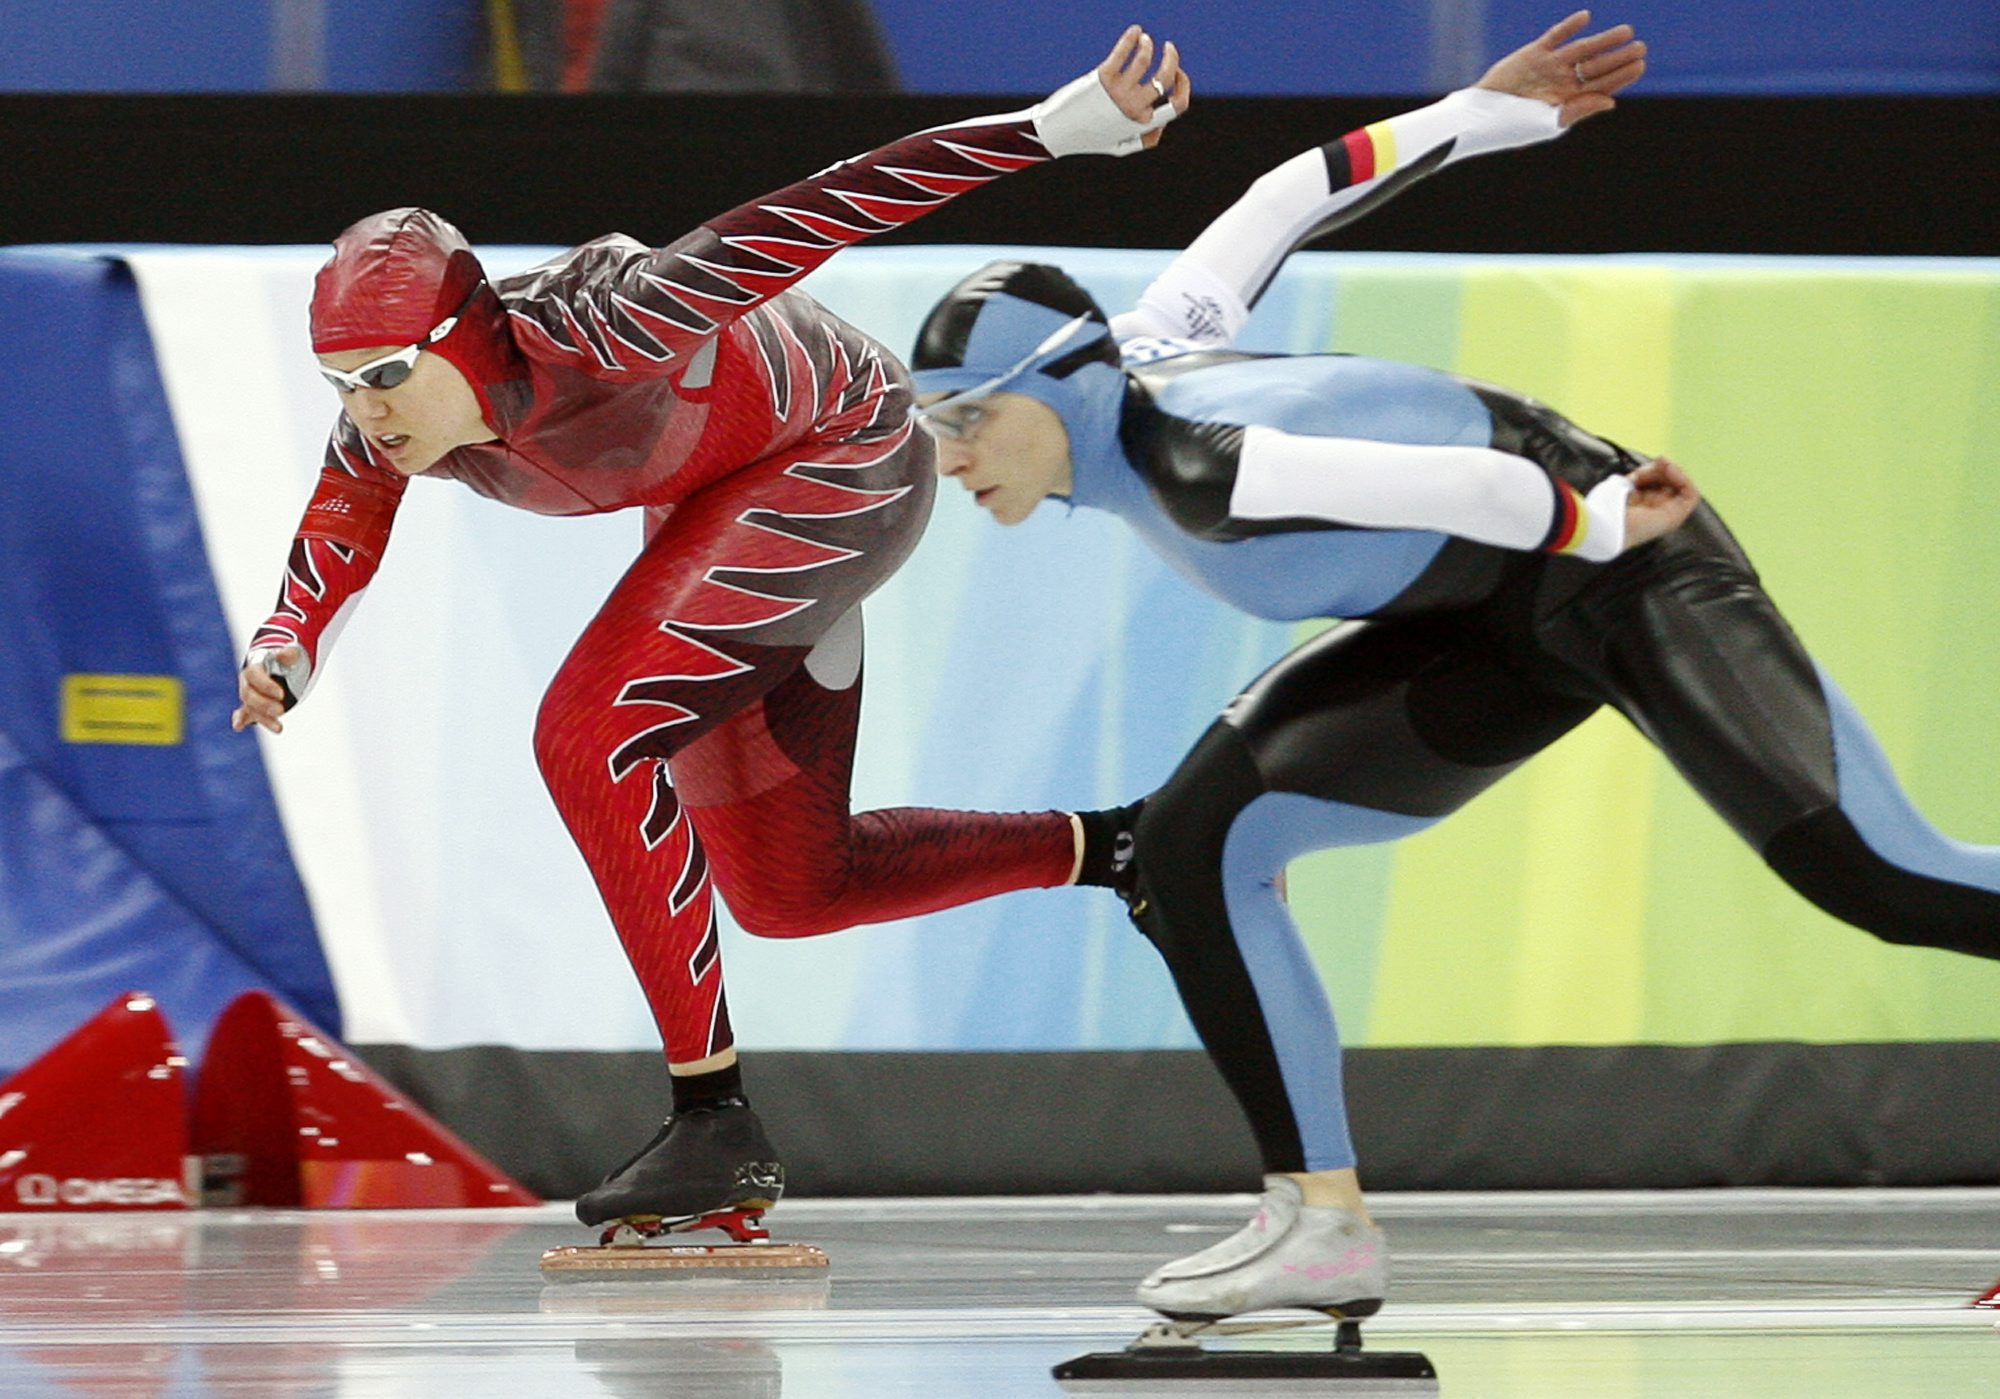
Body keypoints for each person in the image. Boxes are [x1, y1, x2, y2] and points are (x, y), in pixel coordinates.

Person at [908, 10, 2000, 1324]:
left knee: (1876, 870)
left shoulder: (1209, 469)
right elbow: (1279, 198)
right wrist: (1485, 113)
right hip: (1479, 614)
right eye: (933, 427)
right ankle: (1321, 1224)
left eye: (967, 419)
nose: (952, 454)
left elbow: (1469, 480)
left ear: (1055, 389)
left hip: (1617, 559)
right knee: (1195, 840)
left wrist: (1599, 524)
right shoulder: (1136, 344)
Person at [230, 29, 1190, 1236]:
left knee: (589, 735)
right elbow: (344, 517)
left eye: (382, 373)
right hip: (722, 496)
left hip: (842, 450)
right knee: (791, 889)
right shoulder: (385, 429)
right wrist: (287, 643)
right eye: (340, 385)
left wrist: (1050, 130)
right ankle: (1116, 849)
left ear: (465, 339)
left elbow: (819, 206)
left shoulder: (606, 321)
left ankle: (710, 1124)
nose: (365, 411)